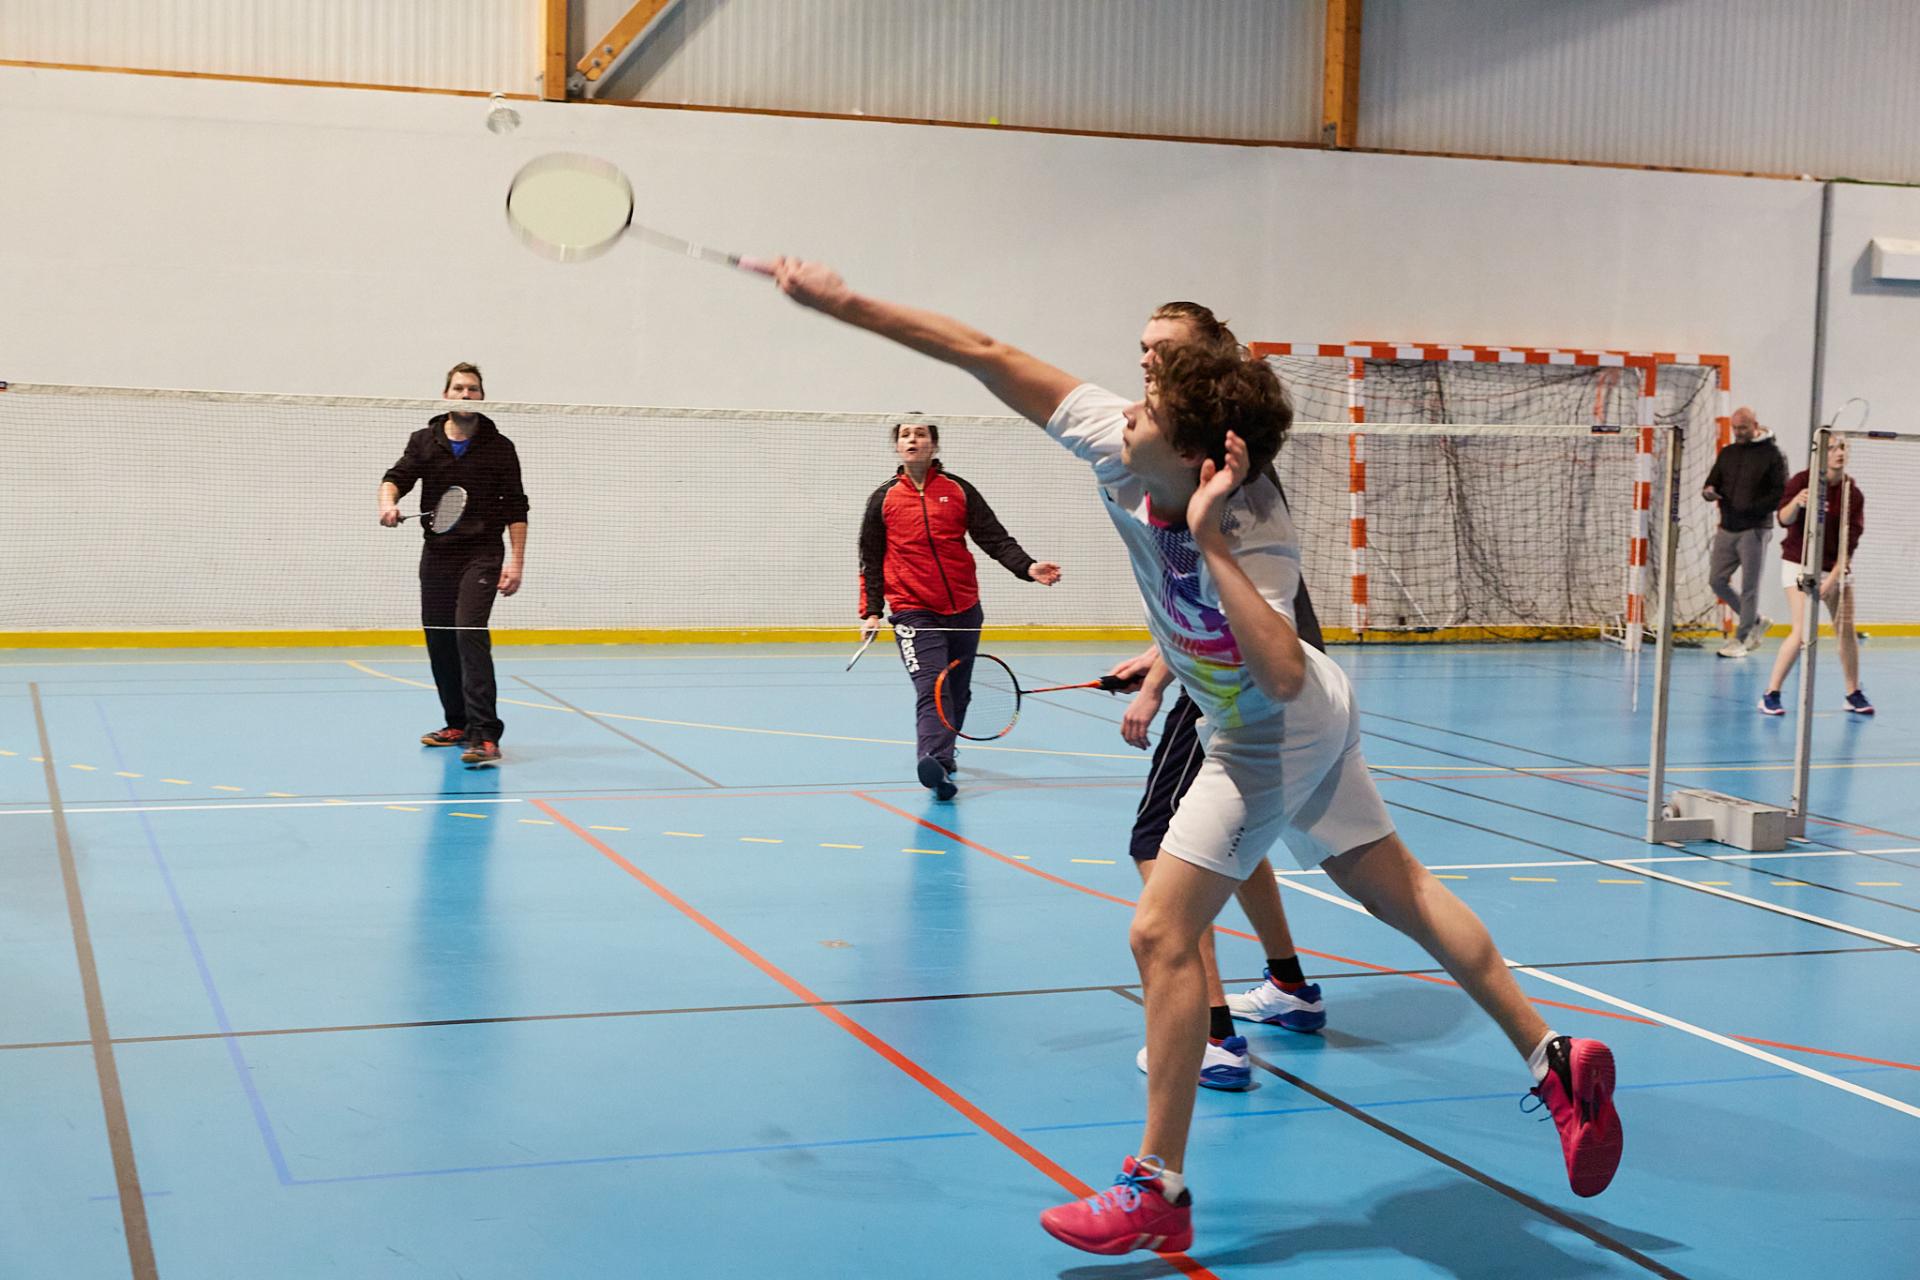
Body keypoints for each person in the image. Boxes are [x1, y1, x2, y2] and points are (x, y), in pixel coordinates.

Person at [769, 260, 1622, 1255]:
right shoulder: (1123, 441)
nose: (1124, 411)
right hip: (1284, 709)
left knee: (1160, 931)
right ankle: (1554, 1059)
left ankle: (1157, 1186)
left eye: (1147, 406)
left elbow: (1283, 676)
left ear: (1196, 453)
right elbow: (983, 353)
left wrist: (1210, 545)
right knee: (1401, 890)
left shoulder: (1253, 532)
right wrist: (845, 304)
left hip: (1273, 728)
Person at [1118, 303, 1329, 1095]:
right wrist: (1156, 658)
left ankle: (1210, 1035)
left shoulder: (1218, 470)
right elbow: (1203, 600)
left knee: (1161, 843)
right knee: (1241, 842)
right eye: (1143, 348)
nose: (1147, 361)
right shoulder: (1211, 452)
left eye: (1165, 350)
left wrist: (1156, 683)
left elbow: (1221, 611)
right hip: (1263, 680)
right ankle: (1290, 985)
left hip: (1248, 691)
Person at [858, 417, 1061, 799]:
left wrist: (1028, 567)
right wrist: (871, 610)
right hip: (912, 609)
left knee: (958, 690)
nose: (913, 439)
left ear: (933, 444)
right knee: (932, 687)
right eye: (905, 435)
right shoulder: (883, 499)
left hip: (964, 608)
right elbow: (870, 557)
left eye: (921, 434)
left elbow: (995, 539)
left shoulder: (958, 491)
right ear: (897, 446)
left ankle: (944, 759)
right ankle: (934, 761)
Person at [379, 362, 529, 767]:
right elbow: (396, 477)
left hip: (482, 553)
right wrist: (387, 503)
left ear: (482, 396)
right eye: (459, 388)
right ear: (446, 395)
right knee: (440, 637)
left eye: (473, 389)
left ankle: (485, 734)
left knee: (468, 633)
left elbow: (517, 507)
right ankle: (458, 723)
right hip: (438, 555)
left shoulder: (499, 447)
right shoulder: (424, 441)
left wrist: (516, 562)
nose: (466, 395)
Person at [1760, 437, 1870, 716]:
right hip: (1799, 564)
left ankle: (1853, 693)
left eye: (1842, 447)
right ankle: (1771, 694)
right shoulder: (1802, 481)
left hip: (1834, 568)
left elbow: (1848, 546)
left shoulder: (1852, 494)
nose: (1839, 453)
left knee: (1846, 628)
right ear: (1820, 453)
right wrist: (1797, 502)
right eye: (1831, 448)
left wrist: (1831, 581)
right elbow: (1783, 519)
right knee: (1802, 631)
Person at [1702, 406, 1787, 658]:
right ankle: (1757, 620)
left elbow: (1780, 492)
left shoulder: (1773, 455)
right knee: (1717, 580)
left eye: (1743, 428)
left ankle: (1742, 638)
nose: (1738, 433)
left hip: (1755, 529)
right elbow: (1712, 481)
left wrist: (1752, 509)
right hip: (1727, 527)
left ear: (1755, 426)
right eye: (1735, 428)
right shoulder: (1728, 453)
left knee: (1750, 586)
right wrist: (1709, 491)